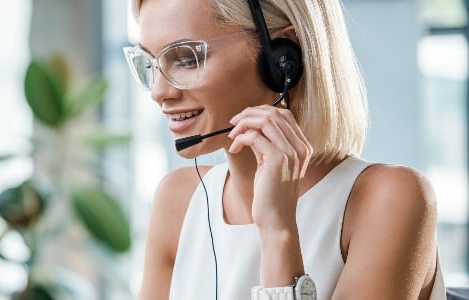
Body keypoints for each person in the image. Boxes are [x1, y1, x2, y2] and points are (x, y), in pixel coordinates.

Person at [128, 0, 444, 299]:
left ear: (281, 56)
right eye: (150, 63)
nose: (158, 92)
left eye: (185, 59)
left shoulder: (389, 200)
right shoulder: (179, 200)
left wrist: (278, 230)